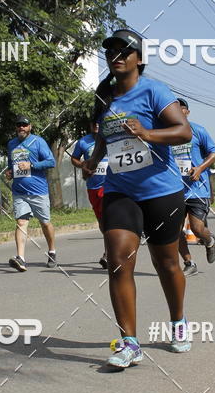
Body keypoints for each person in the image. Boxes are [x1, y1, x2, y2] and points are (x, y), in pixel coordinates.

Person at [82, 28, 193, 367]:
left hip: (161, 191)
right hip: (120, 190)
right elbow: (105, 137)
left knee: (167, 263)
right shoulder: (105, 96)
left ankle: (178, 322)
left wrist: (147, 133)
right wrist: (94, 160)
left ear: (139, 59)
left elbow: (183, 131)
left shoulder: (154, 91)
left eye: (124, 51)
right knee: (118, 260)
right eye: (110, 52)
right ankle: (129, 343)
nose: (115, 56)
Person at [172, 98, 215, 273]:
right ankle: (189, 263)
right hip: (175, 190)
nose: (178, 111)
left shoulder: (198, 130)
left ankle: (209, 240)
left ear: (187, 112)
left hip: (197, 189)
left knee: (197, 229)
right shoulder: (168, 133)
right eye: (174, 108)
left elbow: (214, 153)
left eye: (181, 108)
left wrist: (199, 168)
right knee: (175, 231)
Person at [5, 116, 57, 271]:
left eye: (24, 125)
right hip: (19, 191)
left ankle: (52, 251)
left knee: (45, 223)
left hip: (38, 191)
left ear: (30, 127)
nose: (21, 127)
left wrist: (32, 165)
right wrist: (9, 173)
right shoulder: (12, 144)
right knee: (21, 223)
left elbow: (51, 162)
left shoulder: (38, 142)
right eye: (19, 125)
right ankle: (20, 258)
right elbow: (11, 165)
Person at [71, 121, 108, 269]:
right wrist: (83, 165)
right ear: (90, 126)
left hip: (110, 185)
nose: (96, 126)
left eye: (99, 123)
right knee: (101, 221)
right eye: (93, 124)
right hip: (93, 186)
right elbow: (74, 158)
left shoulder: (110, 138)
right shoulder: (83, 142)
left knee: (108, 218)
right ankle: (111, 248)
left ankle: (108, 253)